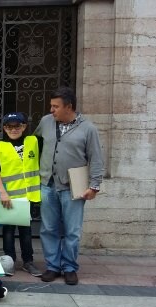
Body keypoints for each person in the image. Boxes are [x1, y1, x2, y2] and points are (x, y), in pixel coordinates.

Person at [33, 87, 104, 285]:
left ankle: (70, 267)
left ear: (69, 107)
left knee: (72, 230)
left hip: (75, 186)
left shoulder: (88, 128)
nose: (51, 110)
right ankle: (53, 266)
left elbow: (96, 158)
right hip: (47, 184)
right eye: (51, 106)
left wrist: (94, 185)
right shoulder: (46, 122)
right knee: (48, 228)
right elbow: (34, 145)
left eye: (55, 106)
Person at [0, 112, 43, 277]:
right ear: (5, 128)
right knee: (8, 231)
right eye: (9, 126)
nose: (14, 129)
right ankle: (10, 261)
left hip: (29, 196)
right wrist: (2, 192)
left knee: (26, 231)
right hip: (9, 197)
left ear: (24, 126)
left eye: (17, 126)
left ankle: (28, 261)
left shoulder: (34, 141)